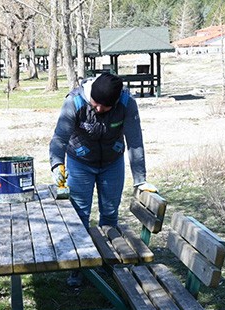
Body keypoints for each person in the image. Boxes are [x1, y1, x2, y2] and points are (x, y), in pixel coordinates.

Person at [49, 73, 157, 287]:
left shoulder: (127, 104)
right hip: (80, 161)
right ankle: (79, 267)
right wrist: (56, 164)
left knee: (109, 214)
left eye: (104, 107)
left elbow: (135, 141)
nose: (98, 110)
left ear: (115, 101)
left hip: (112, 162)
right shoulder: (74, 102)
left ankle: (108, 264)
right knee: (80, 214)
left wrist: (140, 179)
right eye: (95, 104)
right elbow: (59, 138)